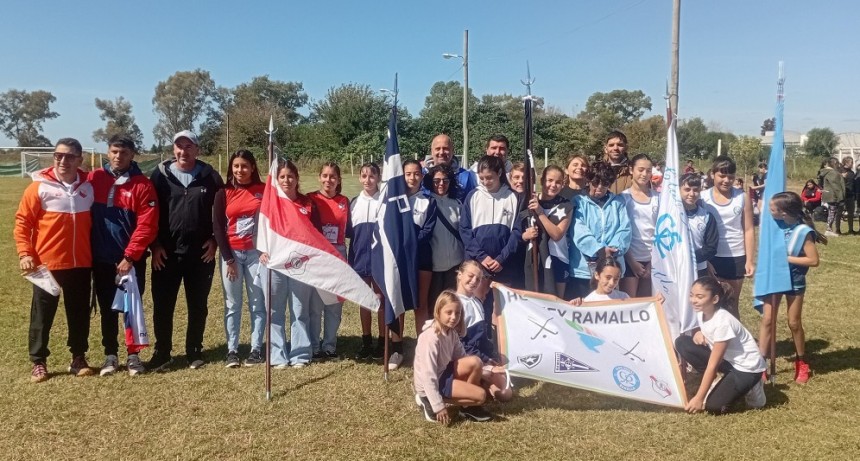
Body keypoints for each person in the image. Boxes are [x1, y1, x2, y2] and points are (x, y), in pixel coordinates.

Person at [15, 138, 95, 382]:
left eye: (69, 156)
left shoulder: (89, 186)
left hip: (81, 263)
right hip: (46, 265)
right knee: (42, 315)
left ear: (80, 159)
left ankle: (78, 357)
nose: (63, 160)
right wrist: (25, 253)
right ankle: (38, 361)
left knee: (79, 313)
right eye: (58, 155)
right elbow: (22, 222)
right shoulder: (38, 187)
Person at [148, 130, 224, 371]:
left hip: (200, 254)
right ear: (173, 149)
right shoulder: (159, 176)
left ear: (197, 150)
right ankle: (162, 352)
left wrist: (215, 240)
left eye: (189, 146)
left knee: (198, 305)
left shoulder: (210, 176)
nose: (184, 151)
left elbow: (224, 212)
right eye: (179, 146)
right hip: (165, 254)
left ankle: (194, 350)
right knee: (163, 305)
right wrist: (155, 244)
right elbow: (148, 212)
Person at [89, 134, 158, 377]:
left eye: (124, 153)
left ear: (132, 155)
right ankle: (110, 355)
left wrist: (129, 257)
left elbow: (147, 225)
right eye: (114, 151)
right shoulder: (94, 178)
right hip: (101, 258)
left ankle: (133, 355)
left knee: (131, 309)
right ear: (108, 152)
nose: (119, 156)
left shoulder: (142, 185)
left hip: (130, 261)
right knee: (107, 309)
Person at [757, 192, 825, 384]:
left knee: (794, 322)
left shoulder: (803, 232)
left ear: (784, 212)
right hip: (774, 280)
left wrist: (786, 258)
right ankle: (760, 363)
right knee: (767, 320)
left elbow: (813, 260)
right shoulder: (775, 225)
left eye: (772, 209)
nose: (769, 211)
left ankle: (801, 361)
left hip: (794, 281)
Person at [676, 277, 766, 414]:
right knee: (682, 343)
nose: (693, 300)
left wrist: (699, 398)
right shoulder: (701, 312)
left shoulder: (723, 322)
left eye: (699, 297)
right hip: (729, 361)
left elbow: (713, 364)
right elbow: (710, 333)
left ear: (715, 299)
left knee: (714, 407)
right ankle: (721, 379)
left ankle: (753, 386)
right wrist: (699, 333)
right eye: (691, 295)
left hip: (747, 368)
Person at [259, 159, 318, 369]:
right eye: (282, 177)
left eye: (290, 176)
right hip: (274, 264)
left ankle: (300, 354)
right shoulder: (270, 203)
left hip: (300, 265)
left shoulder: (307, 204)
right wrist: (262, 250)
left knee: (299, 310)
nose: (286, 180)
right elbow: (260, 230)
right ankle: (277, 355)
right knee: (274, 311)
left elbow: (317, 234)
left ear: (297, 178)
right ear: (276, 179)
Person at [213, 150, 266, 368]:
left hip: (256, 255)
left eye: (244, 166)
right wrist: (229, 260)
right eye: (236, 166)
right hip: (232, 255)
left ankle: (256, 349)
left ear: (252, 167)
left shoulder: (264, 191)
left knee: (257, 303)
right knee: (233, 304)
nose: (240, 170)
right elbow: (218, 228)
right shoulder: (223, 193)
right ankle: (232, 350)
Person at [460, 155, 522, 323]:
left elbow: (517, 232)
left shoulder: (513, 197)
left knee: (500, 309)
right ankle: (479, 337)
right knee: (476, 304)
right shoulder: (473, 196)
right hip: (478, 262)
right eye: (482, 178)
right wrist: (482, 257)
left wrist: (502, 258)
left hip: (504, 264)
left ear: (499, 173)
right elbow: (465, 230)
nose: (485, 182)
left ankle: (497, 339)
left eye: (489, 177)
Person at [413, 290, 489, 424]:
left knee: (476, 362)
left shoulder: (451, 332)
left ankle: (466, 408)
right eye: (449, 313)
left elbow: (463, 358)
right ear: (438, 312)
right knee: (481, 396)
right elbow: (428, 375)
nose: (454, 317)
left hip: (443, 372)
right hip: (431, 382)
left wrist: (487, 374)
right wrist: (438, 406)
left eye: (457, 313)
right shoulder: (430, 338)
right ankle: (428, 400)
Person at [566, 161, 631, 300]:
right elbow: (579, 230)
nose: (600, 188)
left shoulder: (618, 203)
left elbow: (624, 229)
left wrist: (613, 250)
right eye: (596, 183)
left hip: (610, 271)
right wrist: (599, 250)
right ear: (588, 181)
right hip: (583, 270)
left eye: (605, 184)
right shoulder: (578, 201)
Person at [701, 156, 755, 319]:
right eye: (722, 175)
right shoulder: (702, 198)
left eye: (730, 177)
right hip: (711, 257)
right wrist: (705, 259)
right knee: (708, 305)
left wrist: (749, 260)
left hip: (735, 257)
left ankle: (733, 335)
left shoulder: (742, 197)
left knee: (731, 304)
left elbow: (748, 229)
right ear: (712, 174)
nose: (726, 180)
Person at [454, 261, 513, 405]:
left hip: (482, 358)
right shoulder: (455, 305)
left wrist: (491, 358)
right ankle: (472, 383)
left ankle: (483, 383)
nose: (474, 281)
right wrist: (486, 362)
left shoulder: (477, 301)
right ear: (460, 275)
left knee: (505, 393)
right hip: (466, 360)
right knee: (502, 393)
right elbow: (460, 345)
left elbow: (482, 338)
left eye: (478, 278)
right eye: (470, 276)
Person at [308, 162, 350, 361]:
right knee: (315, 305)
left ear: (339, 180)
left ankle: (330, 346)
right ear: (319, 177)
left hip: (338, 254)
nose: (328, 180)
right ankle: (314, 346)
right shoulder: (311, 199)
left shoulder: (344, 201)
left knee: (334, 304)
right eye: (325, 176)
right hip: (317, 255)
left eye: (333, 176)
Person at [348, 163, 386, 361]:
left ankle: (382, 341)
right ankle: (366, 341)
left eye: (372, 176)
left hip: (380, 260)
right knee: (364, 300)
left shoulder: (385, 201)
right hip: (359, 258)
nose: (368, 180)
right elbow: (350, 233)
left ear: (378, 177)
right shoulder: (354, 203)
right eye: (364, 176)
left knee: (380, 300)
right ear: (359, 178)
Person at [523, 165, 573, 297]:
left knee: (557, 301)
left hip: (558, 259)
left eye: (558, 182)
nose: (553, 185)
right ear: (542, 181)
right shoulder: (530, 202)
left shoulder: (566, 205)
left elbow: (557, 234)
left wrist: (540, 213)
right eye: (549, 180)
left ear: (563, 185)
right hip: (535, 258)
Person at [422, 163, 464, 315]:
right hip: (433, 267)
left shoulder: (457, 204)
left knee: (452, 306)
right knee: (434, 307)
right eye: (437, 180)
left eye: (445, 180)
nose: (441, 184)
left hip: (455, 265)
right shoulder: (425, 204)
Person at [620, 154, 657, 298]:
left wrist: (653, 262)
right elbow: (620, 234)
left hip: (654, 260)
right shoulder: (622, 198)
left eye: (648, 171)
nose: (644, 174)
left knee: (648, 303)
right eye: (640, 170)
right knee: (629, 303)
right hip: (630, 259)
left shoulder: (659, 198)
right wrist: (631, 261)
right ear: (631, 170)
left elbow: (662, 231)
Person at [679, 173, 719, 278]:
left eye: (696, 190)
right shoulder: (671, 215)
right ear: (679, 190)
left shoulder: (707, 216)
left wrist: (690, 257)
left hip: (699, 268)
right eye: (687, 189)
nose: (692, 194)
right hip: (675, 268)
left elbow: (711, 247)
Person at [423, 134, 477, 201]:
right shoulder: (421, 175)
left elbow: (471, 203)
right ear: (432, 151)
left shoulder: (465, 177)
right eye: (438, 149)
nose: (441, 152)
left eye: (445, 148)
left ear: (452, 150)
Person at [820, 157, 844, 237]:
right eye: (837, 163)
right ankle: (829, 230)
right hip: (833, 195)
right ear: (834, 164)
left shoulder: (827, 172)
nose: (838, 165)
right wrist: (841, 197)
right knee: (832, 213)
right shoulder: (832, 173)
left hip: (829, 194)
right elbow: (836, 186)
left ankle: (829, 229)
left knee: (831, 212)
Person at [841, 157, 856, 234]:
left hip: (851, 195)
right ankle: (837, 230)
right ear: (846, 163)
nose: (852, 164)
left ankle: (851, 229)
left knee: (851, 213)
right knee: (839, 213)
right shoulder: (841, 171)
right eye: (851, 162)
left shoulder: (852, 173)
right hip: (842, 195)